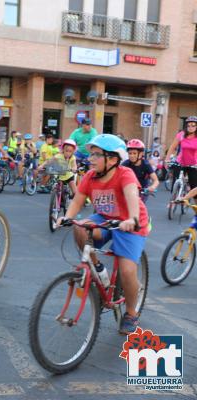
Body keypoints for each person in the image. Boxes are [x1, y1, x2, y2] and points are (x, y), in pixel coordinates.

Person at [59, 134, 149, 335]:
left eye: (96, 155)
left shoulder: (125, 174)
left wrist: (132, 219)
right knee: (80, 226)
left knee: (127, 271)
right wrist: (66, 217)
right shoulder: (90, 176)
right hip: (105, 218)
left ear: (113, 159)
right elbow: (77, 201)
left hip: (129, 223)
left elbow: (133, 197)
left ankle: (131, 313)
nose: (90, 159)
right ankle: (97, 268)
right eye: (90, 154)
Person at [165, 116, 197, 190]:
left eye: (193, 125)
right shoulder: (181, 134)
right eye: (188, 125)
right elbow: (172, 147)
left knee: (194, 188)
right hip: (180, 162)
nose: (190, 127)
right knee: (175, 187)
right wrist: (167, 159)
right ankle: (173, 199)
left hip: (193, 164)